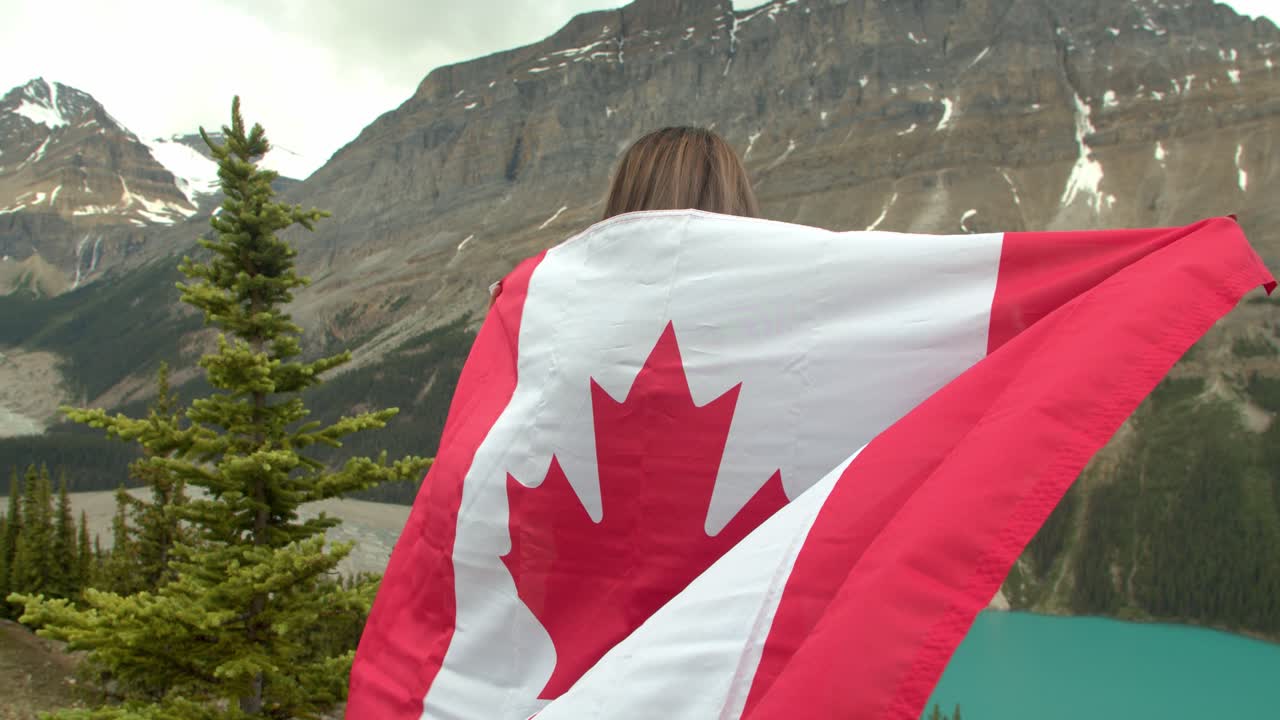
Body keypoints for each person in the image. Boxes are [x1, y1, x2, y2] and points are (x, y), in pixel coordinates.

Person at [491, 126, 758, 306]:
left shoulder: (545, 304)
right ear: (736, 198)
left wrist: (513, 303)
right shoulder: (777, 303)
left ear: (626, 198)